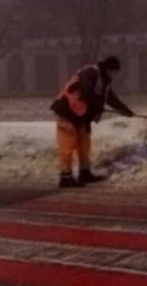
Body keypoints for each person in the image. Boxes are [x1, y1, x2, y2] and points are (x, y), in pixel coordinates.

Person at [50, 56, 135, 188]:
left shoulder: (104, 81)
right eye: (114, 72)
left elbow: (111, 99)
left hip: (81, 114)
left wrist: (126, 111)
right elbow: (85, 91)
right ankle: (65, 177)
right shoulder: (90, 73)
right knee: (67, 145)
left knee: (84, 144)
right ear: (108, 69)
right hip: (67, 111)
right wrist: (96, 105)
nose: (115, 75)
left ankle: (85, 173)